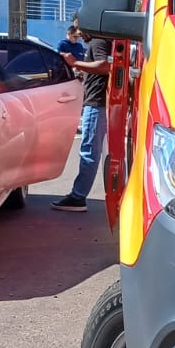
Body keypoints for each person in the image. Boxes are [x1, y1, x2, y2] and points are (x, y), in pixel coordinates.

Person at [52, 30, 112, 212]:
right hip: (97, 103)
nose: (78, 33)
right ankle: (78, 196)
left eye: (79, 28)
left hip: (96, 104)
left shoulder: (97, 42)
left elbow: (104, 66)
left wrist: (75, 63)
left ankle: (78, 197)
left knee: (88, 151)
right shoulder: (97, 42)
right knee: (90, 150)